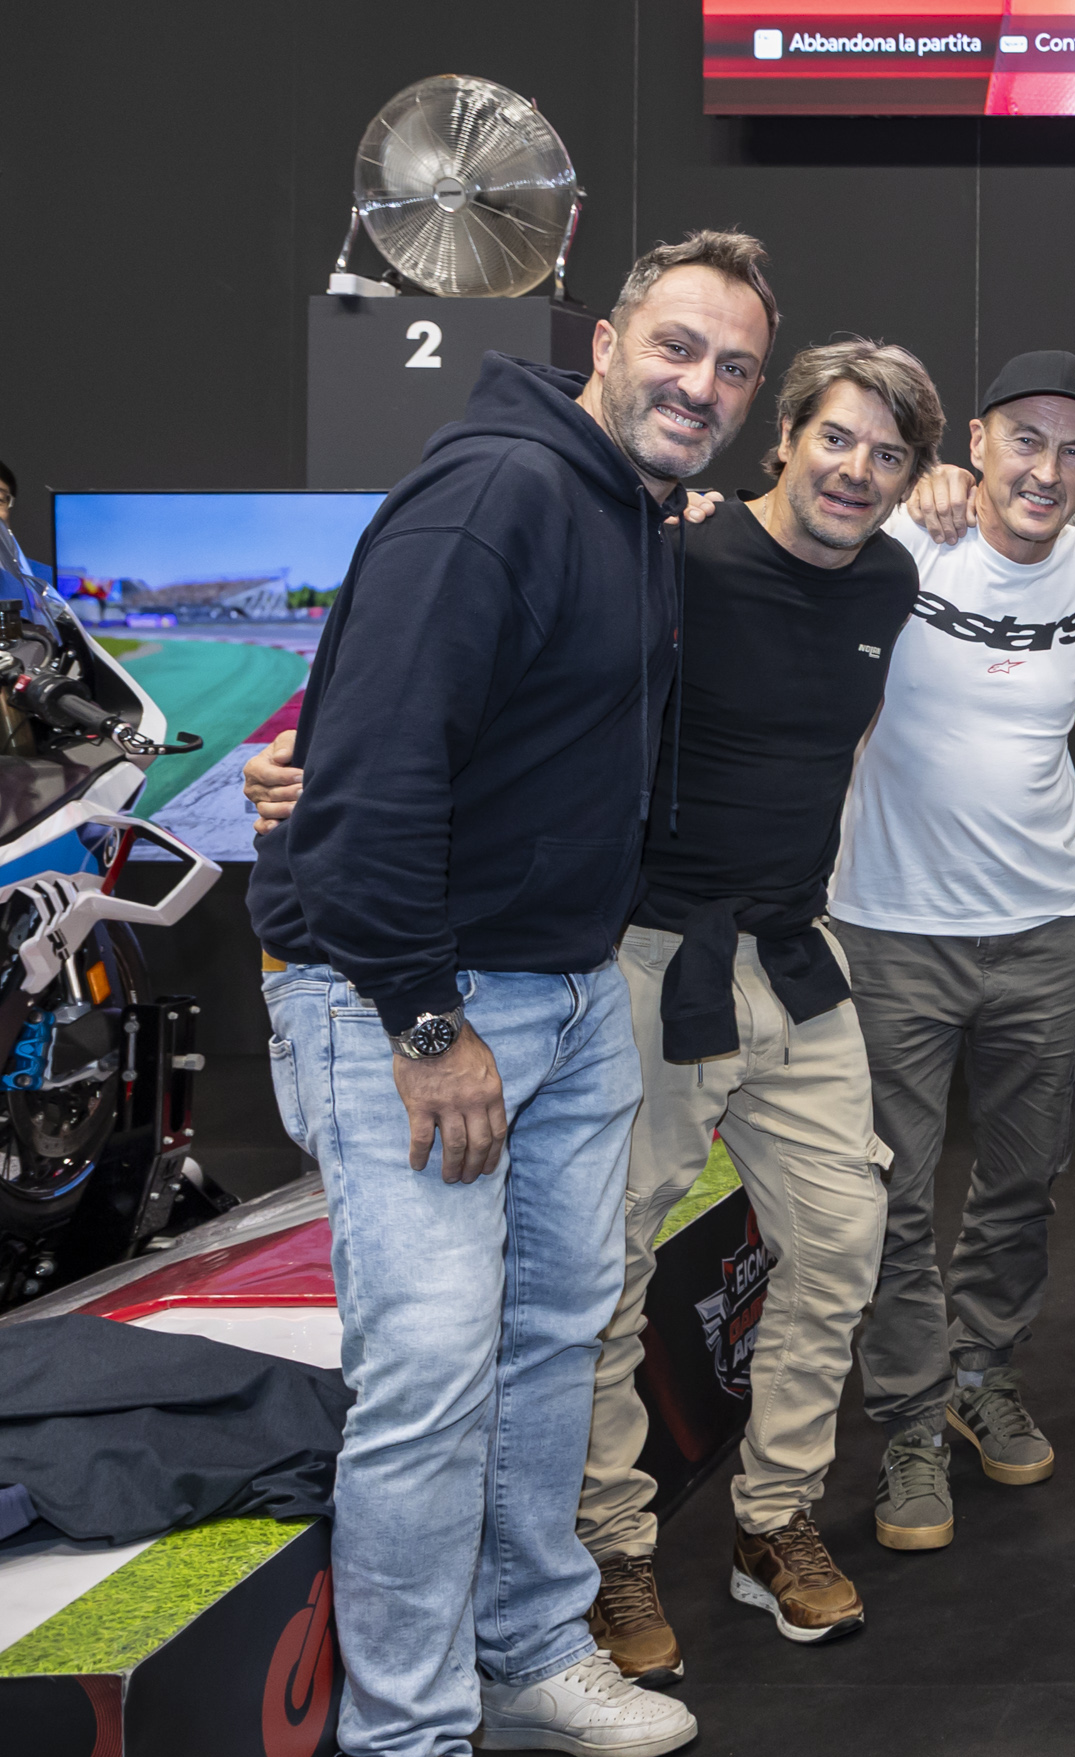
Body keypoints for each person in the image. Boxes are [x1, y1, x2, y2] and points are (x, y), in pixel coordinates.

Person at [251, 339, 942, 1680]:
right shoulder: (673, 549)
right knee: (606, 1272)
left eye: (891, 454)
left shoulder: (890, 581)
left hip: (797, 956)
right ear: (784, 435)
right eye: (838, 437)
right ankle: (614, 1547)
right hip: (649, 956)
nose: (858, 470)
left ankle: (774, 1518)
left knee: (845, 1239)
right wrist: (306, 758)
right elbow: (470, 676)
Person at [247, 228, 775, 1757]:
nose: (703, 385)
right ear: (604, 339)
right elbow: (366, 780)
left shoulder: (628, 506)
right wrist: (424, 1020)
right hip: (413, 998)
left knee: (556, 1338)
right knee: (428, 1376)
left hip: (560, 989)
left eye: (734, 367)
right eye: (678, 347)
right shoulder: (497, 494)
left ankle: (533, 1650)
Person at [841, 353, 1075, 1559]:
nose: (1046, 469)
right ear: (978, 445)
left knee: (1023, 1177)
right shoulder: (904, 535)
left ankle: (979, 1370)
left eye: (1074, 448)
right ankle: (908, 1420)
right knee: (893, 1195)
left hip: (1045, 925)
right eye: (1026, 440)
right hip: (891, 924)